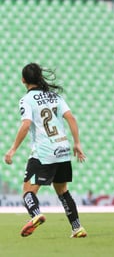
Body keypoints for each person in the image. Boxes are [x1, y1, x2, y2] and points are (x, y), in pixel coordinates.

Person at [3, 63, 87, 238]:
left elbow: (25, 125)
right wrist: (77, 143)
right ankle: (77, 227)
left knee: (27, 191)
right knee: (63, 190)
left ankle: (35, 215)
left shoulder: (26, 100)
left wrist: (12, 150)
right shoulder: (54, 96)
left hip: (44, 151)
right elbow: (70, 117)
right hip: (63, 149)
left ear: (23, 80)